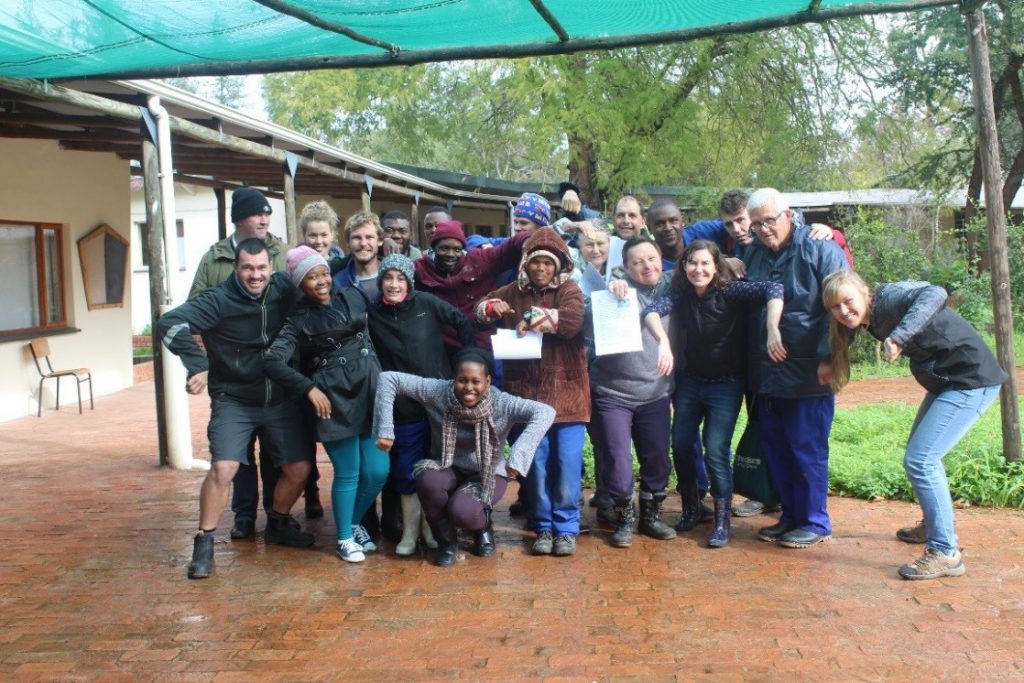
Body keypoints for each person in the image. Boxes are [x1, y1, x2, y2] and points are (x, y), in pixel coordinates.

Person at [823, 270, 1007, 579]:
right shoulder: (869, 318)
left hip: (971, 379)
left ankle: (945, 552)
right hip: (950, 382)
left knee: (921, 460)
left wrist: (899, 336)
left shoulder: (890, 298)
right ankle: (934, 525)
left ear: (865, 292)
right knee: (918, 456)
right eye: (835, 307)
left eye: (848, 301)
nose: (843, 311)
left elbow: (935, 293)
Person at [159, 239, 315, 579]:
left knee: (300, 469)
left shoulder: (283, 290)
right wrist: (198, 363)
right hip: (235, 399)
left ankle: (277, 521)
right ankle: (204, 544)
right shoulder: (218, 300)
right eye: (247, 268)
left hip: (279, 398)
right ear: (236, 267)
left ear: (270, 268)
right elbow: (169, 324)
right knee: (224, 468)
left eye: (261, 268)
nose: (255, 275)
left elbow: (317, 290)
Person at [643, 240, 785, 547]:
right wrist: (664, 343)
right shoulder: (681, 294)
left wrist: (773, 327)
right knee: (680, 443)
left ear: (716, 266)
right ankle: (691, 507)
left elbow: (774, 290)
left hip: (726, 384)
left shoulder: (730, 291)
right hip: (691, 382)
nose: (699, 269)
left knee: (715, 449)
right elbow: (652, 311)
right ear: (684, 266)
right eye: (692, 263)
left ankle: (722, 520)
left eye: (706, 263)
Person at [374, 350, 556, 567]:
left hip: (486, 471)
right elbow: (388, 379)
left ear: (488, 381)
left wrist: (517, 456)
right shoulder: (437, 391)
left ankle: (482, 526)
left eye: (476, 381)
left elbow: (545, 412)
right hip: (446, 464)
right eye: (462, 380)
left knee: (462, 512)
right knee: (427, 481)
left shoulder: (502, 403)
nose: (469, 388)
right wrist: (386, 429)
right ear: (453, 380)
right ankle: (447, 542)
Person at [264, 246, 388, 563]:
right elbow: (272, 361)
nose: (320, 281)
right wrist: (308, 388)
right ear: (299, 284)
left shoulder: (353, 296)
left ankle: (354, 522)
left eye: (322, 273)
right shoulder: (298, 319)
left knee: (377, 472)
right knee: (349, 472)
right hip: (334, 401)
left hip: (371, 393)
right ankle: (345, 538)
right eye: (310, 277)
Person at [743, 188, 848, 549]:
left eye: (769, 221)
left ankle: (816, 521)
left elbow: (843, 310)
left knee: (808, 448)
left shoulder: (820, 247)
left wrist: (827, 357)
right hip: (767, 375)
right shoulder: (753, 253)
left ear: (789, 214)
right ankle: (790, 515)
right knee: (777, 448)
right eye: (755, 224)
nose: (763, 229)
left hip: (808, 372)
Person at [476, 227, 590, 557]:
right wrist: (491, 309)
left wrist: (531, 317)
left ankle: (566, 527)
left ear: (559, 266)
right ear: (525, 263)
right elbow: (481, 311)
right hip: (526, 398)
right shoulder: (511, 291)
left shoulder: (569, 290)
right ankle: (542, 526)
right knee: (535, 464)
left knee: (567, 463)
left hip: (568, 396)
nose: (540, 269)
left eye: (547, 263)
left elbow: (572, 322)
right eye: (535, 262)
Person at [187, 187, 286, 542]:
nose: (264, 220)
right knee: (237, 454)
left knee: (277, 451)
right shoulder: (213, 259)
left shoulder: (279, 251)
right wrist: (202, 363)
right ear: (238, 218)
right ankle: (244, 516)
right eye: (257, 214)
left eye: (267, 214)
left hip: (274, 375)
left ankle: (277, 516)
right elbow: (194, 312)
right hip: (231, 376)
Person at [367, 253, 477, 556]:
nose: (393, 284)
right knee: (405, 470)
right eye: (388, 278)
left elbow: (460, 321)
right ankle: (410, 531)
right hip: (403, 409)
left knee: (440, 467)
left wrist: (463, 366)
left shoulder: (426, 303)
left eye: (400, 278)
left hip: (439, 403)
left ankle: (433, 529)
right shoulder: (372, 314)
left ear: (409, 282)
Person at [589, 237, 677, 547]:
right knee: (617, 457)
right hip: (612, 392)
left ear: (661, 257)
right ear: (626, 267)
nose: (646, 266)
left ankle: (650, 516)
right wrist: (614, 286)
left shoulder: (673, 287)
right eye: (637, 262)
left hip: (655, 391)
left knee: (656, 458)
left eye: (651, 258)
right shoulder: (616, 291)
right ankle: (623, 516)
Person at [414, 220, 530, 353]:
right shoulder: (421, 269)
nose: (451, 254)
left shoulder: (479, 260)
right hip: (443, 351)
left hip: (484, 346)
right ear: (434, 248)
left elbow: (510, 246)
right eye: (444, 248)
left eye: (457, 249)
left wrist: (528, 242)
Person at [646, 199, 729, 271]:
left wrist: (731, 259)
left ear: (682, 220)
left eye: (673, 220)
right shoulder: (649, 262)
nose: (668, 228)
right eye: (660, 224)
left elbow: (735, 224)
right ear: (649, 227)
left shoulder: (702, 231)